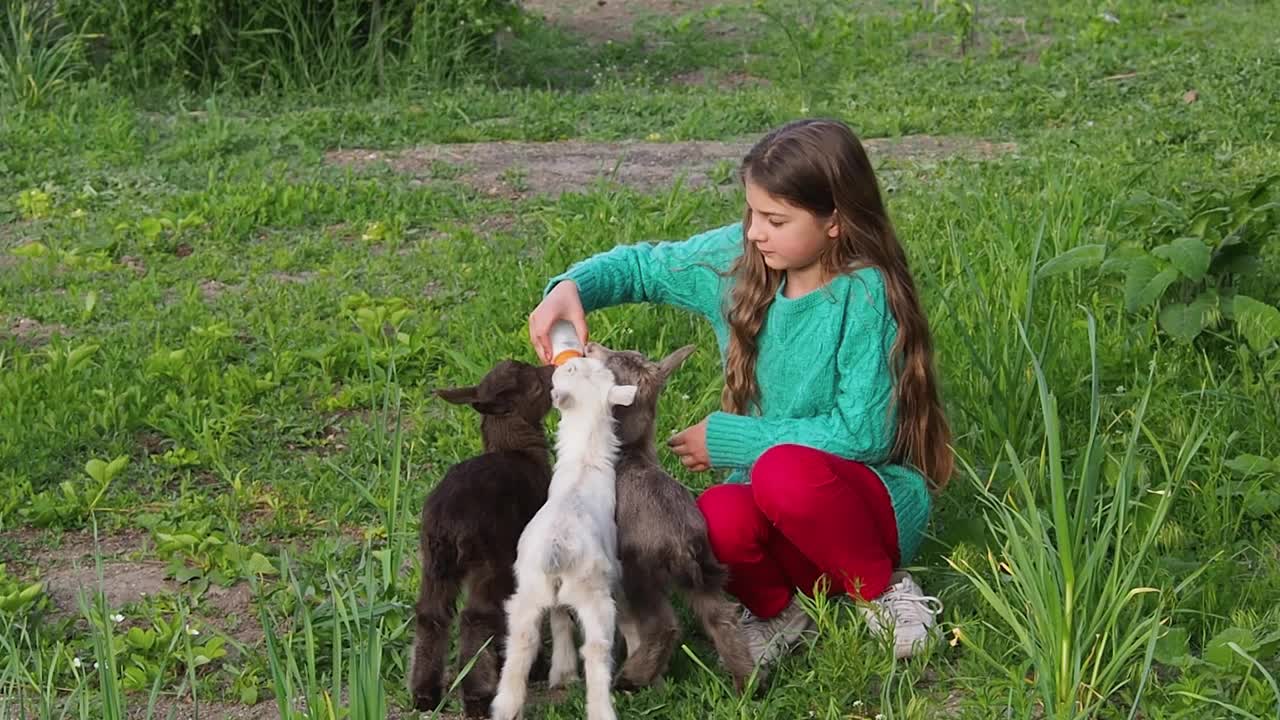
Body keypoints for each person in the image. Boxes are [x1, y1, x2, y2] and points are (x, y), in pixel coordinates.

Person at [527, 118, 951, 665]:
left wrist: (731, 439)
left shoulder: (865, 294)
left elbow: (863, 433)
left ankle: (882, 591)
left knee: (782, 473)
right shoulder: (739, 261)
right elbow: (644, 267)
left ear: (835, 223)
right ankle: (778, 614)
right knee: (715, 514)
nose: (754, 231)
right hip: (782, 519)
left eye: (775, 219)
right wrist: (571, 286)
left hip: (860, 514)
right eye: (751, 212)